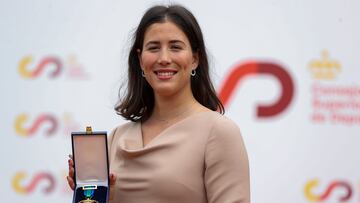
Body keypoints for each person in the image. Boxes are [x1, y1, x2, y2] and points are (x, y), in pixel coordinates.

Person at [68, 4, 250, 203]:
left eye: (175, 47)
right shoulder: (116, 138)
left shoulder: (218, 132)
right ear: (140, 59)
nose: (164, 58)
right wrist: (94, 196)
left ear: (195, 59)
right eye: (154, 48)